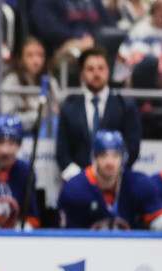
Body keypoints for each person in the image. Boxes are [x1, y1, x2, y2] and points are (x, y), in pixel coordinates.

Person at [57, 129, 162, 237]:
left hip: (132, 256)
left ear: (123, 158)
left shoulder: (139, 183)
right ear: (94, 158)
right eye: (104, 155)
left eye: (115, 155)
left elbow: (159, 218)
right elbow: (67, 235)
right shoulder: (75, 188)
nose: (109, 162)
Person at [56, 46, 142, 182]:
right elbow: (62, 152)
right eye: (90, 69)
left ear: (108, 71)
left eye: (101, 68)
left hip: (116, 181)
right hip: (80, 181)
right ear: (82, 73)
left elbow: (132, 147)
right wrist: (80, 179)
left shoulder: (125, 105)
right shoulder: (69, 108)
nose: (96, 73)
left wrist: (113, 172)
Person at [112, 0, 162, 88]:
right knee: (150, 62)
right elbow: (135, 57)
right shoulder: (141, 30)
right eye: (159, 9)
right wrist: (160, 71)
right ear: (153, 11)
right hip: (142, 77)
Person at [26, 0, 114, 70]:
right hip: (62, 46)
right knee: (87, 45)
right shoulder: (44, 2)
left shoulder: (93, 1)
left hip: (95, 42)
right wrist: (79, 38)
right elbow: (48, 28)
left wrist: (95, 38)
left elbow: (111, 25)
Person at [1, 37, 61, 136]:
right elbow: (7, 118)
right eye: (30, 55)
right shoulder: (11, 81)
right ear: (21, 58)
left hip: (47, 129)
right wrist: (39, 115)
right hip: (20, 133)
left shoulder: (50, 81)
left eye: (40, 55)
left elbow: (58, 109)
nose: (36, 60)